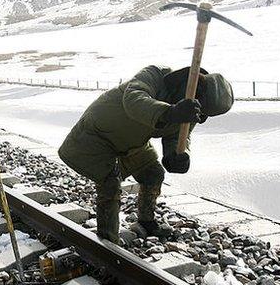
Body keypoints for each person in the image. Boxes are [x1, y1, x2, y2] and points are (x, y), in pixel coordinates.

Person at [58, 65, 234, 241]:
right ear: (196, 87)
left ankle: (146, 222)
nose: (200, 114)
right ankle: (107, 242)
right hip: (96, 137)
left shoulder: (191, 109)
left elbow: (178, 135)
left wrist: (177, 155)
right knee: (110, 185)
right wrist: (170, 112)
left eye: (204, 112)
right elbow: (133, 100)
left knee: (153, 174)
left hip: (132, 143)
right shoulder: (156, 75)